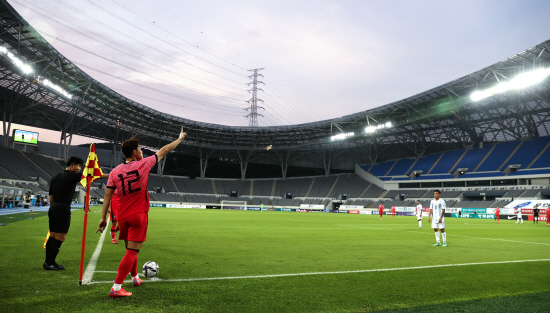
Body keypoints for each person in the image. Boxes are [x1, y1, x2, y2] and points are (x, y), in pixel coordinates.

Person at [97, 128, 187, 298]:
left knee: (130, 249)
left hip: (122, 215)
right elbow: (165, 150)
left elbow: (107, 196)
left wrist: (103, 218)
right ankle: (116, 288)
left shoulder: (115, 172)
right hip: (138, 214)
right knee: (132, 252)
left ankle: (135, 277)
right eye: (140, 149)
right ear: (134, 152)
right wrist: (180, 138)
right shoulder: (143, 164)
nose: (142, 152)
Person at [44, 156, 108, 270]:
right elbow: (92, 177)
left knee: (52, 235)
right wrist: (110, 175)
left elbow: (51, 197)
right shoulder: (73, 176)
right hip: (63, 208)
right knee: (60, 237)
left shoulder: (55, 177)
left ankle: (47, 262)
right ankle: (51, 263)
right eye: (79, 166)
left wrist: (54, 208)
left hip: (53, 208)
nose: (80, 169)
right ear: (72, 165)